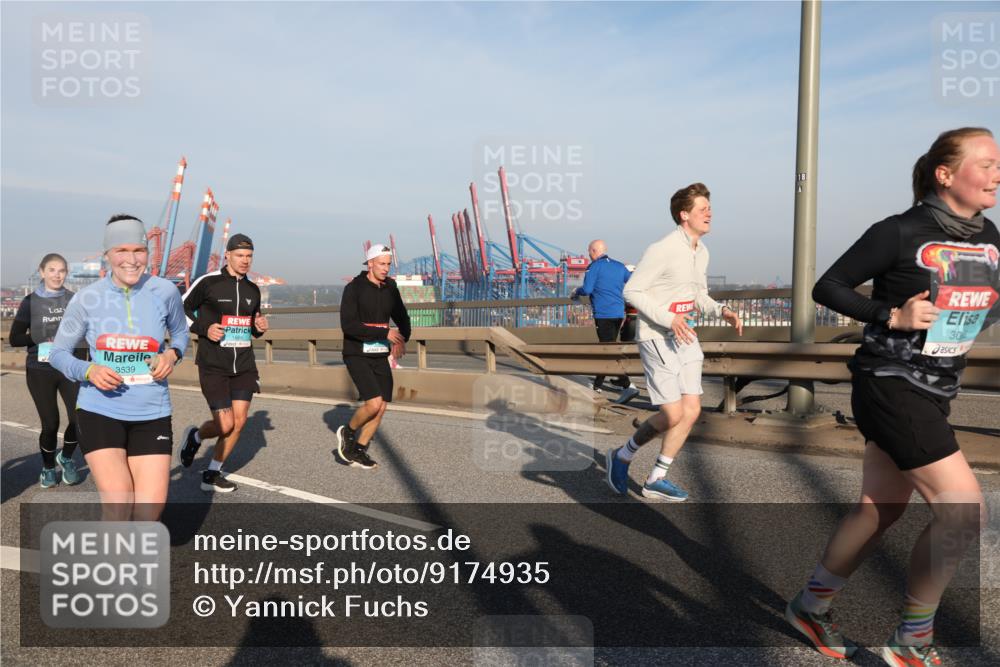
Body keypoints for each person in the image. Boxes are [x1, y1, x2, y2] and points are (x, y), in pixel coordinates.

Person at [785, 127, 999, 666]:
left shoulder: (990, 235)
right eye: (987, 163)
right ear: (944, 175)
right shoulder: (899, 231)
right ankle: (913, 640)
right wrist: (892, 314)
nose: (998, 173)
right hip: (890, 383)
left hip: (936, 389)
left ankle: (811, 606)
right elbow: (828, 287)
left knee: (879, 508)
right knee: (963, 512)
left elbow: (986, 303)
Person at [606, 183, 743, 501]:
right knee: (672, 414)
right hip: (658, 337)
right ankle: (623, 455)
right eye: (702, 208)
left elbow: (698, 294)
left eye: (710, 207)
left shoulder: (702, 251)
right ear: (684, 215)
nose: (709, 213)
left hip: (686, 337)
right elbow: (632, 291)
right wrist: (669, 318)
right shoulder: (662, 249)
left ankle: (656, 478)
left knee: (691, 410)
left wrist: (722, 310)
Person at [49, 215, 189, 520]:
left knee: (149, 512)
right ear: (107, 254)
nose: (131, 259)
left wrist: (172, 355)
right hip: (100, 410)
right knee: (119, 503)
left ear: (147, 254)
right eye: (121, 250)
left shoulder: (165, 291)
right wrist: (89, 371)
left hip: (152, 410)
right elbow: (58, 353)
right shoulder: (86, 299)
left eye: (138, 250)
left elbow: (180, 334)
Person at [178, 233, 268, 493]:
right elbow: (179, 307)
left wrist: (259, 327)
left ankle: (213, 471)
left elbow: (252, 325)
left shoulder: (253, 289)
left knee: (239, 423)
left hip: (244, 365)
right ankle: (195, 437)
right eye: (240, 255)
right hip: (214, 364)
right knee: (225, 424)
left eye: (249, 256)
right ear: (227, 255)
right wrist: (204, 328)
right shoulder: (208, 282)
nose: (245, 260)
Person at [9, 253, 85, 487]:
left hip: (69, 367)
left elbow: (84, 337)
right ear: (42, 272)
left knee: (80, 420)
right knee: (51, 424)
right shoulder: (30, 302)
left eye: (61, 270)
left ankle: (67, 458)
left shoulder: (75, 300)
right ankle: (48, 467)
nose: (57, 275)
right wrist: (39, 336)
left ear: (66, 273)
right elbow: (14, 338)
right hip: (40, 369)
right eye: (52, 270)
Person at [336, 244, 411, 470]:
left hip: (380, 353)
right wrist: (385, 332)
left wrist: (402, 339)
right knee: (373, 402)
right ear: (370, 264)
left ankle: (358, 449)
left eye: (388, 264)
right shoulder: (354, 288)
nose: (386, 268)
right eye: (382, 263)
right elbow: (348, 326)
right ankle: (347, 432)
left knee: (382, 406)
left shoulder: (390, 287)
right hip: (356, 353)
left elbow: (403, 317)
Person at [571, 240, 639, 404]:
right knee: (608, 348)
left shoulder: (594, 267)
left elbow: (587, 290)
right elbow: (633, 281)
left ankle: (627, 385)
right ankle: (597, 385)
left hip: (603, 314)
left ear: (594, 251)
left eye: (589, 251)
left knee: (606, 351)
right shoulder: (618, 266)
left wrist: (576, 291)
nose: (588, 254)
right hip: (618, 313)